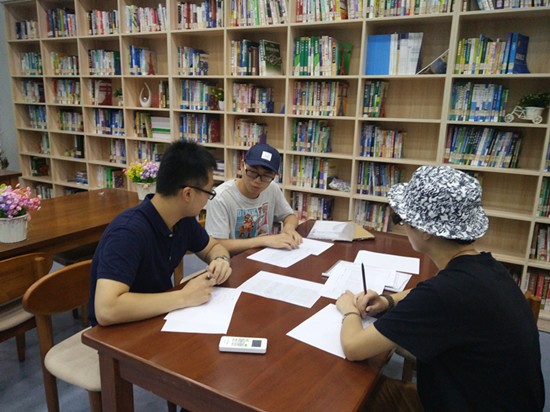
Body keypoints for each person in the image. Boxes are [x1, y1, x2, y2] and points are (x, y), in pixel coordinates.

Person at [336, 165, 545, 411]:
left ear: (424, 230)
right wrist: (388, 301)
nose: (403, 226)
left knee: (351, 398)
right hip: (493, 398)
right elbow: (428, 292)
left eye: (403, 219)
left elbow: (353, 348)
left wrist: (349, 310)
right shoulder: (485, 267)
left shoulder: (443, 294)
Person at [88, 141, 232, 326]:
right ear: (187, 194)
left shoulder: (182, 219)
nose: (208, 199)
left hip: (157, 316)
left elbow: (213, 247)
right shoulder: (128, 233)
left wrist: (221, 260)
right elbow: (107, 309)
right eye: (209, 192)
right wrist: (183, 296)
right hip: (118, 331)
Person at [205, 143, 302, 255]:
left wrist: (289, 228)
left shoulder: (272, 188)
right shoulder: (220, 197)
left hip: (263, 256)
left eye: (266, 176)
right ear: (242, 166)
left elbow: (289, 216)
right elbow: (217, 244)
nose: (257, 181)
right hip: (231, 261)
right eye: (252, 172)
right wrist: (264, 241)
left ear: (274, 177)